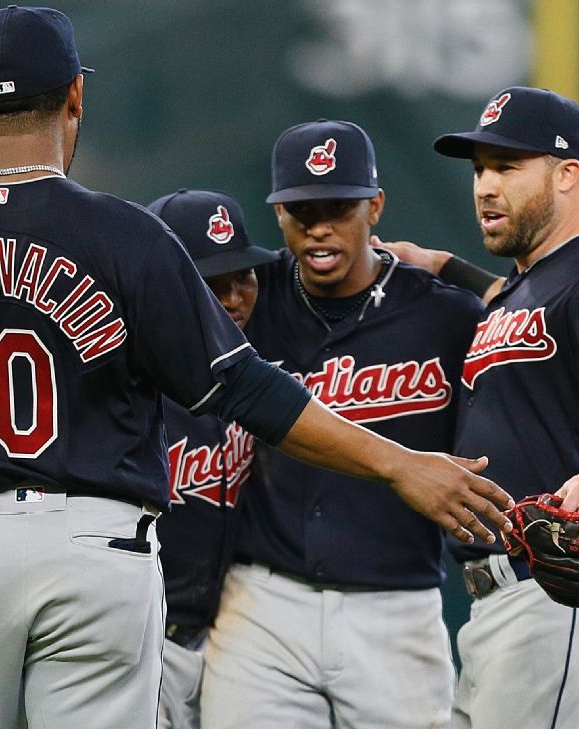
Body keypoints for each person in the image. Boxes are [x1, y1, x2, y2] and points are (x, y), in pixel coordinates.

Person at [0, 8, 515, 729]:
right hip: (97, 548)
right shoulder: (125, 235)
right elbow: (246, 388)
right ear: (75, 97)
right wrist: (396, 462)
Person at [0, 187, 274, 729]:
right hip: (132, 630)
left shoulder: (254, 366)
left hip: (237, 636)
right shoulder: (110, 381)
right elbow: (14, 469)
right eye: (212, 284)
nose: (233, 298)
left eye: (244, 277)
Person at [197, 119, 488, 729]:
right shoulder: (250, 296)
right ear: (278, 213)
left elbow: (545, 332)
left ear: (374, 206)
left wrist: (450, 266)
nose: (320, 227)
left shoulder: (442, 312)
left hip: (396, 608)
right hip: (263, 604)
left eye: (338, 208)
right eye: (302, 211)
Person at [428, 86, 579, 729]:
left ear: (566, 175)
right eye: (479, 169)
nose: (486, 186)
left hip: (559, 598)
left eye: (508, 167)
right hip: (503, 607)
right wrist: (442, 266)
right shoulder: (527, 283)